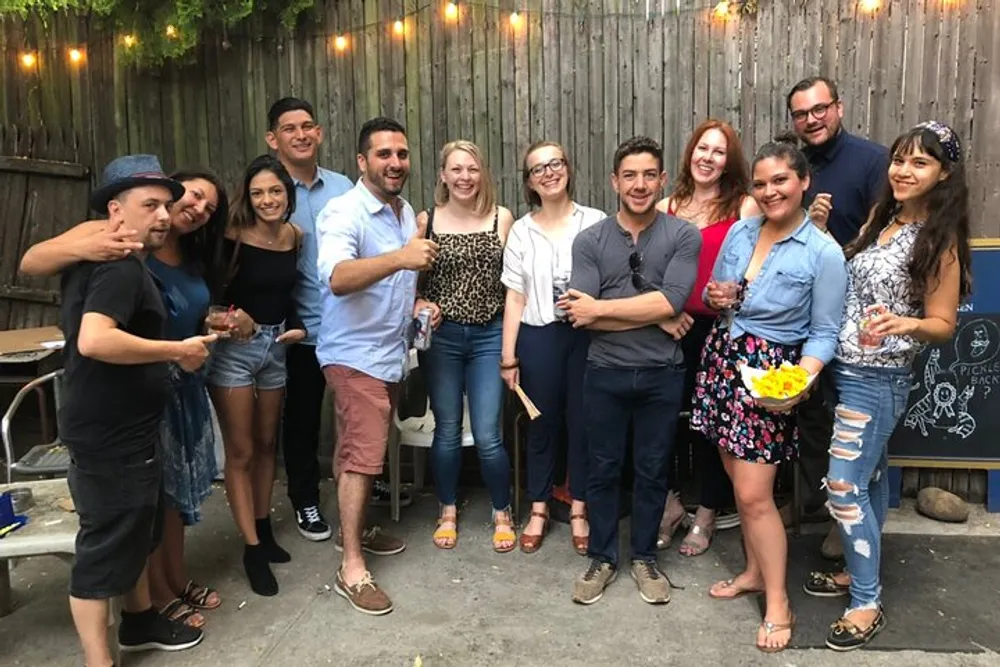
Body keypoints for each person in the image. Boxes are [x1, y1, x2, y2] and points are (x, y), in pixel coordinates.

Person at [19, 170, 230, 628]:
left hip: (163, 390)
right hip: (121, 400)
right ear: (121, 206)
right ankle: (149, 602)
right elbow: (34, 262)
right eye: (190, 198)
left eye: (209, 208)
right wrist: (84, 246)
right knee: (125, 518)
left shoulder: (182, 252)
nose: (193, 210)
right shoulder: (111, 244)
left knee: (162, 504)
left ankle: (165, 590)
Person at [802, 121, 970, 651]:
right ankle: (859, 570)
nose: (903, 170)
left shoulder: (939, 241)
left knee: (843, 486)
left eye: (920, 162)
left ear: (944, 174)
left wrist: (906, 324)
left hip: (878, 380)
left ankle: (866, 601)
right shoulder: (884, 219)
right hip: (843, 370)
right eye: (899, 159)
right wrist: (824, 232)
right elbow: (856, 278)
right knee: (870, 480)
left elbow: (944, 325)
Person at [56, 154, 215, 666]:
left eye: (167, 205)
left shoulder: (109, 260)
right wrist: (177, 350)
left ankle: (140, 620)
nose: (164, 216)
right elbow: (95, 340)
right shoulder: (120, 269)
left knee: (133, 532)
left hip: (122, 425)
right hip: (110, 432)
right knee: (104, 549)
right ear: (114, 211)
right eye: (150, 205)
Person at [692, 138, 848, 652]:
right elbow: (722, 291)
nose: (768, 191)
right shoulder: (741, 230)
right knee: (740, 486)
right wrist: (720, 296)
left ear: (804, 182)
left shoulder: (822, 252)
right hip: (723, 359)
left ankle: (778, 602)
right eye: (759, 183)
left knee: (757, 496)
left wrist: (800, 380)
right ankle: (756, 572)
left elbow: (825, 332)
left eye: (780, 180)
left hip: (770, 376)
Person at [563, 136, 701, 606]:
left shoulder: (683, 235)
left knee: (652, 470)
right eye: (630, 175)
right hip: (604, 371)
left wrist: (612, 307)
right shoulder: (590, 240)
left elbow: (674, 299)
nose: (639, 185)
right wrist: (657, 313)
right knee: (602, 468)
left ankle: (644, 556)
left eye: (648, 175)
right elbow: (579, 314)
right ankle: (602, 557)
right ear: (614, 181)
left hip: (662, 373)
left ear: (661, 180)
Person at [316, 117, 432, 615]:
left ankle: (353, 532)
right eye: (383, 154)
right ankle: (353, 569)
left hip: (388, 356)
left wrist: (419, 306)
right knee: (363, 457)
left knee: (360, 450)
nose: (395, 163)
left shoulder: (403, 211)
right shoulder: (344, 212)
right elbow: (339, 277)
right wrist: (403, 258)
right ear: (362, 162)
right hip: (354, 356)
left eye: (402, 154)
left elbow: (398, 283)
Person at [786, 76, 890, 555]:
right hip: (805, 315)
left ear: (839, 108)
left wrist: (827, 236)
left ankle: (847, 519)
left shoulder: (871, 161)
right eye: (802, 114)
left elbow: (885, 238)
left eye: (819, 109)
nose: (812, 119)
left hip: (861, 317)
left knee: (856, 420)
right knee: (809, 414)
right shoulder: (793, 167)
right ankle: (813, 503)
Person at [654, 119, 761, 557]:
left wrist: (738, 293)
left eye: (719, 151)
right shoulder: (666, 206)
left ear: (728, 160)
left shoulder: (745, 206)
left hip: (722, 331)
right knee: (663, 422)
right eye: (702, 148)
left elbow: (760, 268)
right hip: (670, 327)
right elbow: (649, 271)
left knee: (714, 428)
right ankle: (671, 503)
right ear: (690, 152)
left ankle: (708, 513)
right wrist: (663, 314)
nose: (708, 158)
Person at [208, 155, 307, 597]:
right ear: (247, 198)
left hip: (276, 348)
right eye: (258, 193)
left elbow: (292, 293)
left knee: (269, 444)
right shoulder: (230, 238)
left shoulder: (293, 237)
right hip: (234, 351)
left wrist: (298, 324)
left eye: (275, 191)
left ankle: (264, 529)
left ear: (288, 194)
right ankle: (250, 548)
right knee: (242, 450)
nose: (268, 200)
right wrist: (233, 315)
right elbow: (205, 305)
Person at [500, 141, 605, 555]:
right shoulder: (522, 231)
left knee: (583, 422)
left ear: (568, 167)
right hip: (539, 336)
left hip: (587, 336)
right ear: (529, 182)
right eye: (537, 168)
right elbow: (514, 297)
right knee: (540, 424)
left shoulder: (596, 223)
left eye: (555, 163)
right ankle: (540, 506)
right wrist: (509, 357)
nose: (548, 172)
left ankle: (579, 506)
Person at [264, 97, 361, 542]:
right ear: (273, 139)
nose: (301, 135)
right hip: (299, 331)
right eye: (289, 129)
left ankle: (359, 485)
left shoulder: (345, 187)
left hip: (349, 327)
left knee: (354, 416)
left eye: (308, 126)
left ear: (319, 133)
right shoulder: (268, 193)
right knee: (301, 422)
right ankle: (305, 498)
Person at [414, 140, 517, 552]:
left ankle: (502, 510)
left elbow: (515, 284)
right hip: (443, 339)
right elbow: (410, 281)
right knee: (448, 431)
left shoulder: (501, 218)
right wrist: (419, 302)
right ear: (443, 175)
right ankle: (448, 509)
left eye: (472, 169)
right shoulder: (427, 220)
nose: (464, 177)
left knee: (490, 434)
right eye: (456, 169)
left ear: (482, 173)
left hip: (490, 335)